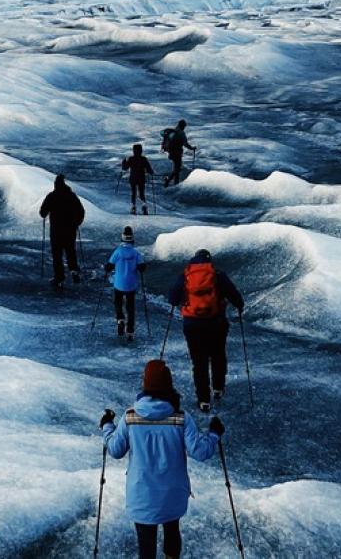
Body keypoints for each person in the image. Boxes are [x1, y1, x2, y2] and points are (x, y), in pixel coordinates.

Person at [100, 360, 225, 559]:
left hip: (142, 495)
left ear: (145, 384)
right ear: (169, 385)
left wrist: (107, 426)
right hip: (172, 495)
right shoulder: (181, 418)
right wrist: (214, 433)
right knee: (172, 534)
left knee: (146, 547)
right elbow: (200, 452)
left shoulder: (130, 417)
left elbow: (115, 450)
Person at [168, 249, 244, 411]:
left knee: (199, 362)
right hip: (216, 323)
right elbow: (235, 296)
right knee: (218, 356)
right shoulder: (218, 275)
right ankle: (218, 389)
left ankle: (203, 400)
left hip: (192, 325)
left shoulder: (185, 275)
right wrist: (239, 306)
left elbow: (172, 299)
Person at [39, 174, 85, 289]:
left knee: (57, 255)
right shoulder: (72, 196)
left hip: (56, 232)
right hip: (70, 230)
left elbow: (42, 213)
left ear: (55, 185)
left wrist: (46, 212)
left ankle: (59, 278)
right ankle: (74, 270)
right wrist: (76, 223)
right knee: (70, 251)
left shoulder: (52, 196)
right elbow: (81, 211)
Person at [104, 226, 145, 341]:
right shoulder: (136, 253)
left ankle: (120, 319)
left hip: (119, 284)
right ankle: (130, 331)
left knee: (118, 302)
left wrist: (106, 268)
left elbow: (109, 266)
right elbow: (142, 267)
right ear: (132, 239)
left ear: (122, 239)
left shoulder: (117, 252)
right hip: (131, 285)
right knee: (130, 307)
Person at [121, 143, 155, 215]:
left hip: (133, 178)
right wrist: (151, 172)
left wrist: (123, 162)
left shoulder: (131, 159)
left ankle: (133, 207)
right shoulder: (143, 159)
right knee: (141, 193)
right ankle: (144, 207)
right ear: (141, 151)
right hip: (141, 178)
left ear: (133, 151)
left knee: (133, 193)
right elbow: (149, 170)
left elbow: (125, 168)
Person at [161, 119, 196, 187]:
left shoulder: (173, 131)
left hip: (171, 152)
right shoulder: (181, 133)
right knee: (177, 169)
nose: (184, 127)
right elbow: (185, 144)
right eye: (184, 126)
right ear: (182, 126)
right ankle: (168, 180)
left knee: (176, 168)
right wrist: (192, 148)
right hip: (177, 153)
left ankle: (175, 183)